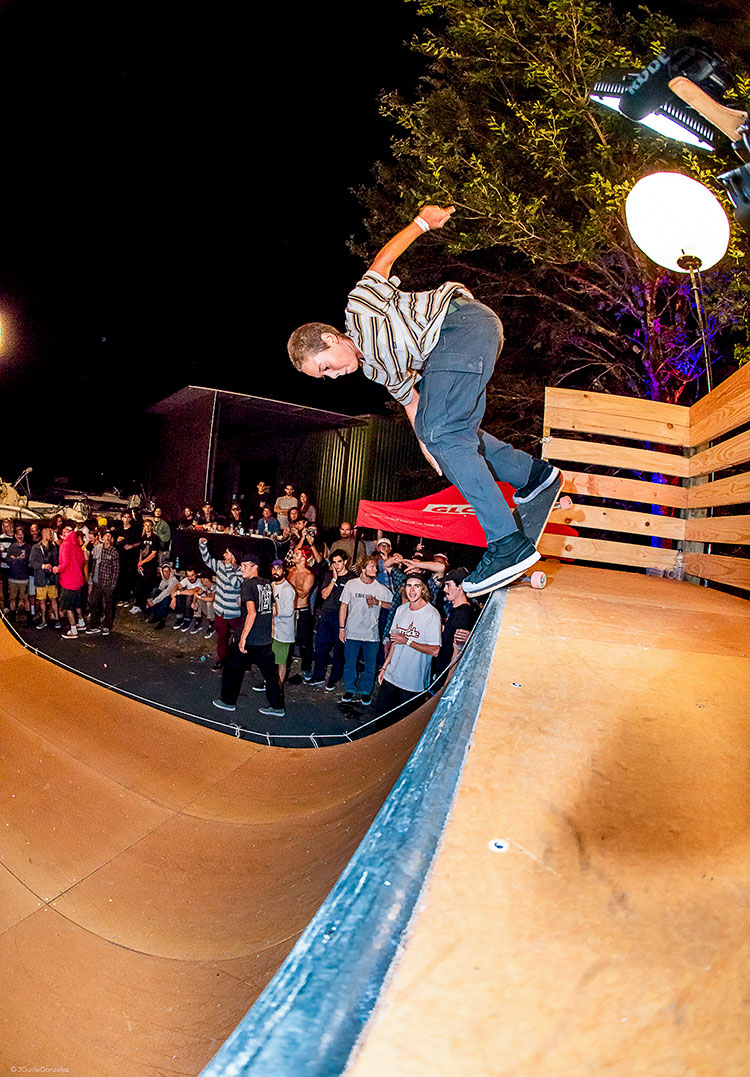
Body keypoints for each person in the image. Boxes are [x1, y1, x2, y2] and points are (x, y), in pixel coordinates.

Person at [288, 202, 560, 598]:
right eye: (325, 377)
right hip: (451, 352)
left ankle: (507, 545)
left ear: (330, 340)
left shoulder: (358, 310)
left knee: (446, 434)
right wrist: (428, 449)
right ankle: (532, 475)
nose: (334, 375)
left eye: (326, 366)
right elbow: (414, 404)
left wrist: (421, 223)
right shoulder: (375, 370)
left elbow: (383, 260)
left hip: (460, 326)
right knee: (451, 440)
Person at [212, 553, 285, 719]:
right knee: (271, 674)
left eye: (245, 566)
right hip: (264, 638)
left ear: (255, 567)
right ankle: (277, 706)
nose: (242, 569)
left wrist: (243, 637)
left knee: (232, 668)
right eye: (242, 565)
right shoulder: (267, 584)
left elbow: (251, 612)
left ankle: (228, 701)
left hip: (250, 638)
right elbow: (273, 610)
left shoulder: (248, 585)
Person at [376, 576, 442, 717]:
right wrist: (384, 667)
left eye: (416, 586)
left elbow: (435, 650)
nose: (412, 590)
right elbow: (395, 642)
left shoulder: (432, 614)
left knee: (402, 728)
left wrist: (407, 641)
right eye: (408, 586)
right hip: (391, 677)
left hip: (412, 684)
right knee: (382, 722)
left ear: (423, 589)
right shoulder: (401, 609)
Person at [339, 555, 393, 705]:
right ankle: (349, 688)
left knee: (370, 665)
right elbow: (343, 606)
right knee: (349, 663)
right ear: (362, 568)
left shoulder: (380, 588)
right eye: (371, 566)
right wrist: (342, 628)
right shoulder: (351, 584)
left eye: (375, 567)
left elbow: (393, 604)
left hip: (371, 634)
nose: (375, 569)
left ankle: (365, 691)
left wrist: (379, 602)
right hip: (352, 632)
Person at [308, 549, 356, 690]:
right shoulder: (329, 575)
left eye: (339, 562)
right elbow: (324, 595)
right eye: (334, 562)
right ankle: (318, 675)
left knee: (338, 649)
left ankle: (334, 678)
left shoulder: (351, 579)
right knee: (321, 646)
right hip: (326, 615)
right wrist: (334, 579)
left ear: (345, 561)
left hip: (341, 617)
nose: (337, 565)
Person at [198, 538, 243, 670]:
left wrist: (228, 567)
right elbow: (207, 560)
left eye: (227, 553)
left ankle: (239, 660)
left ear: (233, 556)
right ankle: (222, 659)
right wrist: (203, 545)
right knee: (221, 637)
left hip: (234, 611)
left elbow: (236, 584)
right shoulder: (220, 565)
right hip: (220, 609)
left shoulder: (241, 570)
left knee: (239, 636)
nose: (224, 555)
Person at [434, 567, 479, 683]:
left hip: (446, 675)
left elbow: (457, 651)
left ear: (460, 587)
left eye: (448, 585)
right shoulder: (457, 610)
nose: (444, 589)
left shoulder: (463, 614)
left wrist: (447, 682)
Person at [287, 546, 315, 681]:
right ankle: (284, 666)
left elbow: (303, 593)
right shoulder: (290, 573)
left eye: (297, 554)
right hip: (289, 611)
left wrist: (288, 586)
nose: (294, 555)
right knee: (287, 640)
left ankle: (306, 668)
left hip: (302, 611)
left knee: (304, 643)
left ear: (304, 558)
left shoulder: (308, 575)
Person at [87, 530, 120, 635]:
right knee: (93, 603)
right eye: (106, 536)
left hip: (107, 583)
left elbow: (116, 569)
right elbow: (93, 566)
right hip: (97, 582)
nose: (107, 538)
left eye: (109, 536)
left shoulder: (113, 551)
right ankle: (94, 624)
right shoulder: (97, 549)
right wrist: (91, 582)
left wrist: (113, 584)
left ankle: (107, 625)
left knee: (108, 605)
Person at [270, 559, 296, 689]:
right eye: (274, 568)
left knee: (281, 661)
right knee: (272, 660)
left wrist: (275, 612)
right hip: (273, 630)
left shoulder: (287, 589)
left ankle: (278, 688)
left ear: (284, 571)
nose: (275, 571)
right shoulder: (272, 585)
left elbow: (289, 612)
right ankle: (271, 683)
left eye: (278, 568)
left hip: (284, 632)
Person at [57, 525, 87, 638]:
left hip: (68, 581)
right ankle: (81, 622)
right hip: (78, 580)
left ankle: (73, 630)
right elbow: (82, 562)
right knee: (77, 604)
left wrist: (57, 569)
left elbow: (64, 564)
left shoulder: (65, 545)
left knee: (69, 606)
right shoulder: (78, 547)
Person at [29, 526, 60, 628]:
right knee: (41, 600)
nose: (49, 535)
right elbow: (31, 563)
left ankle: (57, 619)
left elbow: (57, 561)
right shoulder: (35, 547)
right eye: (47, 533)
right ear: (42, 534)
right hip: (41, 578)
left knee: (53, 599)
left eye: (50, 533)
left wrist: (55, 569)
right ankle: (43, 620)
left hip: (51, 577)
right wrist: (42, 566)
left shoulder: (54, 547)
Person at [131, 518, 161, 614]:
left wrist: (143, 562)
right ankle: (137, 604)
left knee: (145, 585)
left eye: (149, 525)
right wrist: (139, 563)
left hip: (150, 567)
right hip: (142, 565)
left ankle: (143, 606)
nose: (147, 527)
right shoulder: (143, 537)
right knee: (137, 585)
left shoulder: (155, 538)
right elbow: (141, 551)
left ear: (151, 527)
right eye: (145, 525)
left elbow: (153, 554)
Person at [7, 525, 31, 624]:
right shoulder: (12, 547)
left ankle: (28, 618)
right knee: (12, 598)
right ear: (15, 536)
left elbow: (28, 561)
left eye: (22, 534)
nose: (20, 536)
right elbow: (8, 560)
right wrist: (16, 559)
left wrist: (15, 559)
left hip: (24, 578)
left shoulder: (28, 547)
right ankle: (12, 617)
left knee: (26, 598)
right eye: (18, 534)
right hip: (13, 578)